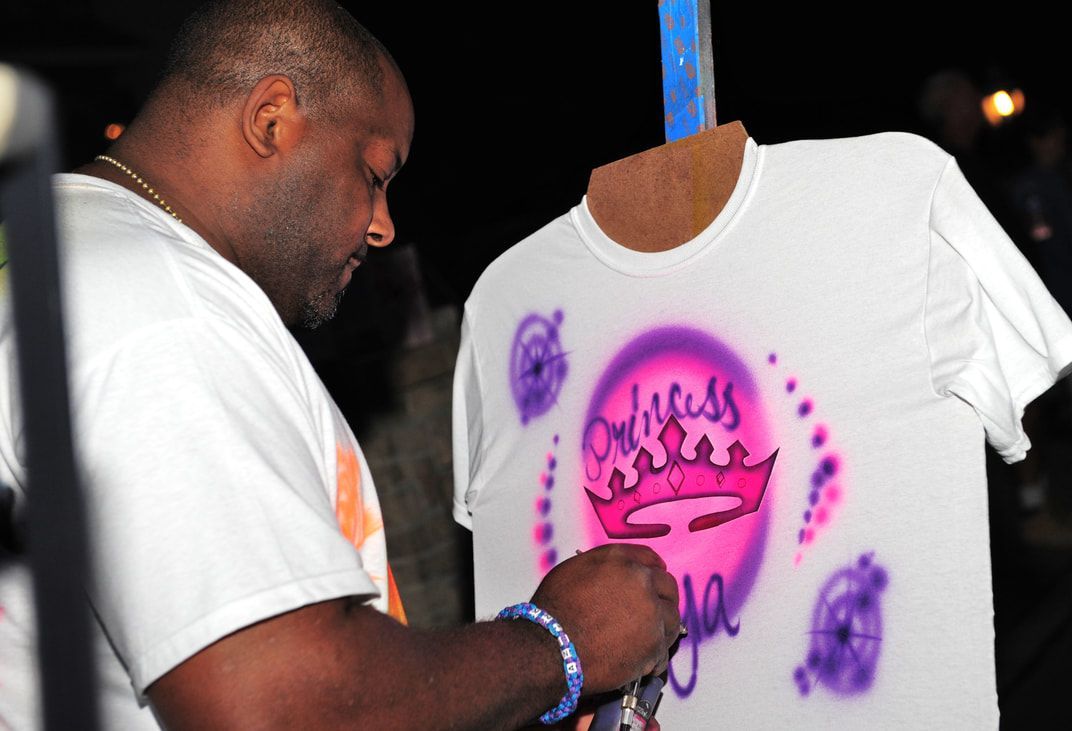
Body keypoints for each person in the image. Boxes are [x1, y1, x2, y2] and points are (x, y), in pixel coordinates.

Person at [0, 1, 680, 728]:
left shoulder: (59, 252)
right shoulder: (162, 308)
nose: (384, 226)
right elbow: (284, 706)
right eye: (375, 174)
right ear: (272, 120)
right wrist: (561, 645)